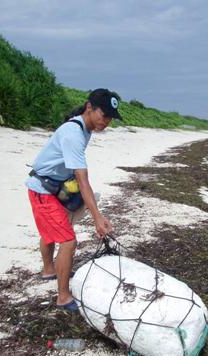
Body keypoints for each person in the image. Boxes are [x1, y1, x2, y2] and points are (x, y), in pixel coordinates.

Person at [26, 88, 121, 312]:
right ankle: (63, 297)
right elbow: (83, 178)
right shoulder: (74, 133)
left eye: (110, 117)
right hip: (43, 189)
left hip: (56, 185)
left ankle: (49, 270)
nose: (106, 121)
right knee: (68, 241)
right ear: (89, 107)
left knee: (52, 230)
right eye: (103, 114)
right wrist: (98, 217)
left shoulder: (83, 128)